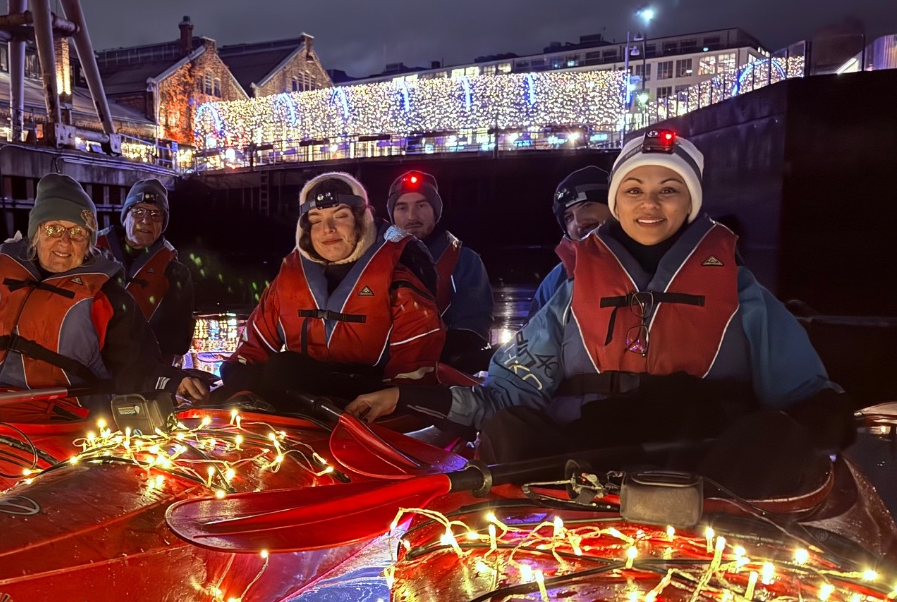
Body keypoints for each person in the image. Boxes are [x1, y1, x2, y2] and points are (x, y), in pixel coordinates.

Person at [346, 130, 852, 498]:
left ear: (691, 203)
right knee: (511, 427)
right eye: (634, 190)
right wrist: (406, 394)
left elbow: (805, 397)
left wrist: (822, 417)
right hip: (586, 467)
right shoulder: (570, 293)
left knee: (775, 435)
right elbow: (504, 395)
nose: (649, 204)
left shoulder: (743, 292)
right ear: (619, 201)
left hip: (707, 471)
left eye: (668, 190)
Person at [0, 173, 206, 421]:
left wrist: (173, 380)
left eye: (77, 234)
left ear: (89, 243)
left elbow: (137, 367)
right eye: (54, 230)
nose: (64, 242)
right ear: (35, 234)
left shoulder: (107, 297)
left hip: (49, 417)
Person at [218, 172, 445, 409]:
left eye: (341, 216)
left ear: (362, 220)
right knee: (268, 373)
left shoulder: (399, 282)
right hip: (296, 388)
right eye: (316, 220)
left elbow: (412, 377)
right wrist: (239, 380)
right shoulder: (287, 281)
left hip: (370, 399)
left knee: (283, 368)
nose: (328, 229)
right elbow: (250, 352)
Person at [386, 170, 494, 368]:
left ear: (435, 211)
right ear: (392, 214)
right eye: (402, 207)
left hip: (441, 369)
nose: (412, 216)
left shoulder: (464, 261)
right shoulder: (375, 260)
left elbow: (473, 326)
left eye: (421, 205)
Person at [96, 179, 196, 363]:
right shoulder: (91, 254)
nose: (146, 220)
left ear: (163, 224)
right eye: (138, 212)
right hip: (90, 363)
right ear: (125, 217)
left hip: (142, 369)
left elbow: (177, 341)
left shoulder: (175, 272)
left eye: (155, 215)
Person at [529, 166, 611, 318]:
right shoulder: (557, 280)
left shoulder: (654, 258)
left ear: (613, 205)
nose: (578, 222)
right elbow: (535, 337)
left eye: (586, 206)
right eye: (568, 218)